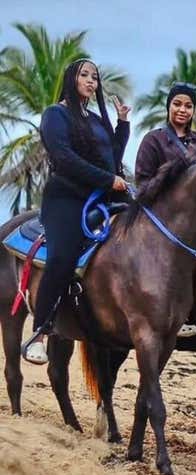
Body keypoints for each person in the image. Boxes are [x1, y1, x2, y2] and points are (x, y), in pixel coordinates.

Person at [23, 59, 130, 364]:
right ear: (71, 78)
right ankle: (39, 333)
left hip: (100, 197)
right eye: (85, 75)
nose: (91, 81)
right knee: (62, 255)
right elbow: (65, 158)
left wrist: (122, 125)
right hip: (66, 198)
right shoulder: (55, 114)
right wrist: (108, 180)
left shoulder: (97, 119)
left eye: (95, 77)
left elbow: (110, 158)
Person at [134, 79, 196, 337]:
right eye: (177, 104)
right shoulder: (153, 140)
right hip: (161, 222)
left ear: (194, 111)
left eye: (188, 106)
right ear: (168, 106)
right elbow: (143, 184)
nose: (182, 110)